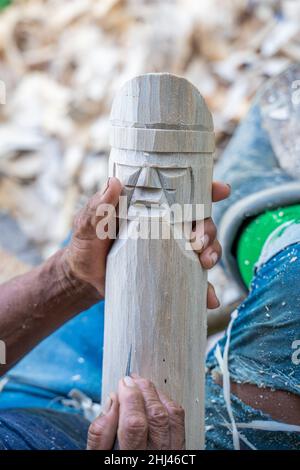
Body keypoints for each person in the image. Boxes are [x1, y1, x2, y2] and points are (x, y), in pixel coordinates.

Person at [0, 175, 230, 450]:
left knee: (130, 226)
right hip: (158, 436)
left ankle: (243, 209)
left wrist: (71, 277)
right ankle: (254, 217)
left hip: (24, 391)